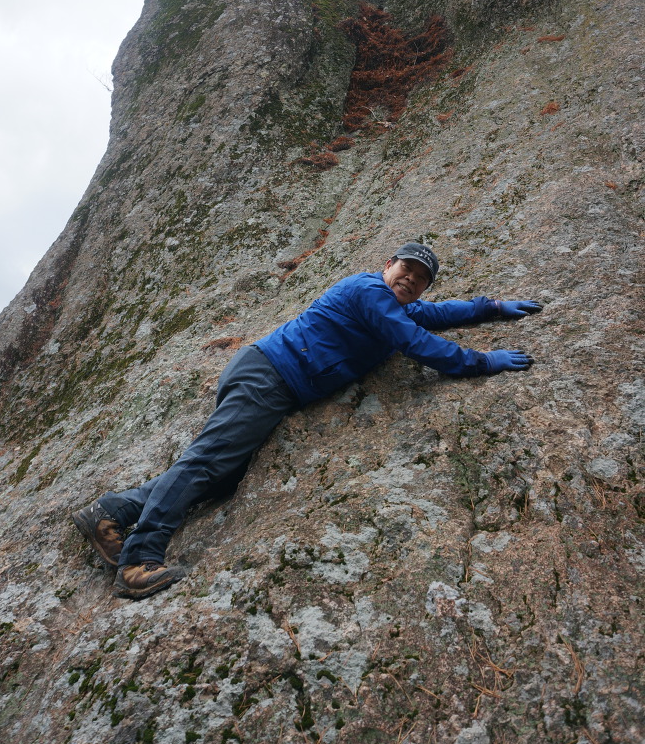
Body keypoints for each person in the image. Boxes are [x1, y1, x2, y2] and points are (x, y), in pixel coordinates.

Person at [72, 242, 541, 600]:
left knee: (223, 475)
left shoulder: (397, 306)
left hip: (277, 384)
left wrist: (490, 307)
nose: (411, 280)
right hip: (268, 375)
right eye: (406, 269)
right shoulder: (368, 290)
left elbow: (434, 314)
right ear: (388, 266)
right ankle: (138, 560)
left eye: (420, 279)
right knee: (206, 462)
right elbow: (415, 340)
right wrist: (482, 361)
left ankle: (112, 512)